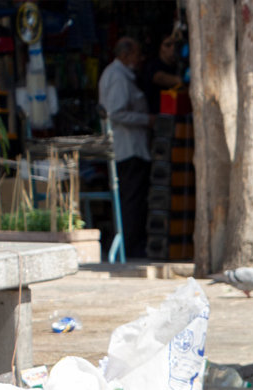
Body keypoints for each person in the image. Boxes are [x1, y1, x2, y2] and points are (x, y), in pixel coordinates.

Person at [99, 37, 153, 259]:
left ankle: (131, 245)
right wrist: (146, 120)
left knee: (133, 200)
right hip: (128, 149)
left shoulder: (120, 75)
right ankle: (131, 248)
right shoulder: (118, 77)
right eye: (135, 54)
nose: (139, 59)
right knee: (131, 201)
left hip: (132, 148)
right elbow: (116, 113)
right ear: (124, 55)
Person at [141, 33, 182, 113]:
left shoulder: (178, 66)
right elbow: (160, 78)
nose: (173, 48)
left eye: (176, 45)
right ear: (160, 47)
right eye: (168, 45)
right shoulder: (153, 66)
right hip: (158, 116)